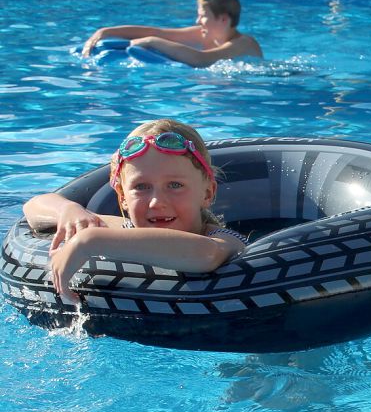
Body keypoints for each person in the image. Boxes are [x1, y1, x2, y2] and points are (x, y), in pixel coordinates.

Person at [24, 119, 247, 302]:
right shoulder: (122, 229)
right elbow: (33, 207)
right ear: (122, 198)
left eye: (175, 185)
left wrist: (88, 241)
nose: (156, 202)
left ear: (208, 193)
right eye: (141, 187)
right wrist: (69, 210)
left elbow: (205, 255)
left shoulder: (224, 241)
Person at [80, 0, 262, 67]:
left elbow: (202, 59)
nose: (198, 21)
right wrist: (105, 31)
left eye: (203, 16)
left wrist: (152, 42)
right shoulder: (206, 34)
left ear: (223, 19)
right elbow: (158, 31)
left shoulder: (243, 44)